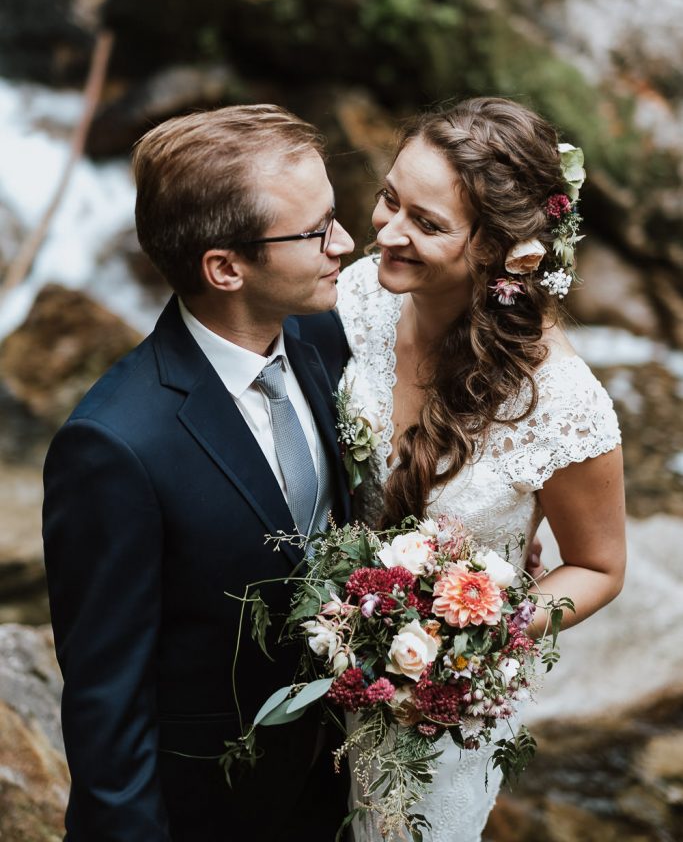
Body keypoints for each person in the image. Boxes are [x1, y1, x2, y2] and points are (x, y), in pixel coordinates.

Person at [42, 104, 355, 842]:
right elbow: (107, 703)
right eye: (315, 231)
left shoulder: (323, 336)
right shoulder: (113, 446)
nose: (344, 243)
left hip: (341, 785)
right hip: (211, 811)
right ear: (225, 268)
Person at [335, 96, 626, 842]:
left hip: (432, 714)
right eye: (389, 199)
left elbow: (597, 568)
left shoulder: (562, 404)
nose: (386, 233)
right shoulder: (356, 296)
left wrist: (474, 637)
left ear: (501, 251)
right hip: (312, 663)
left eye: (426, 223)